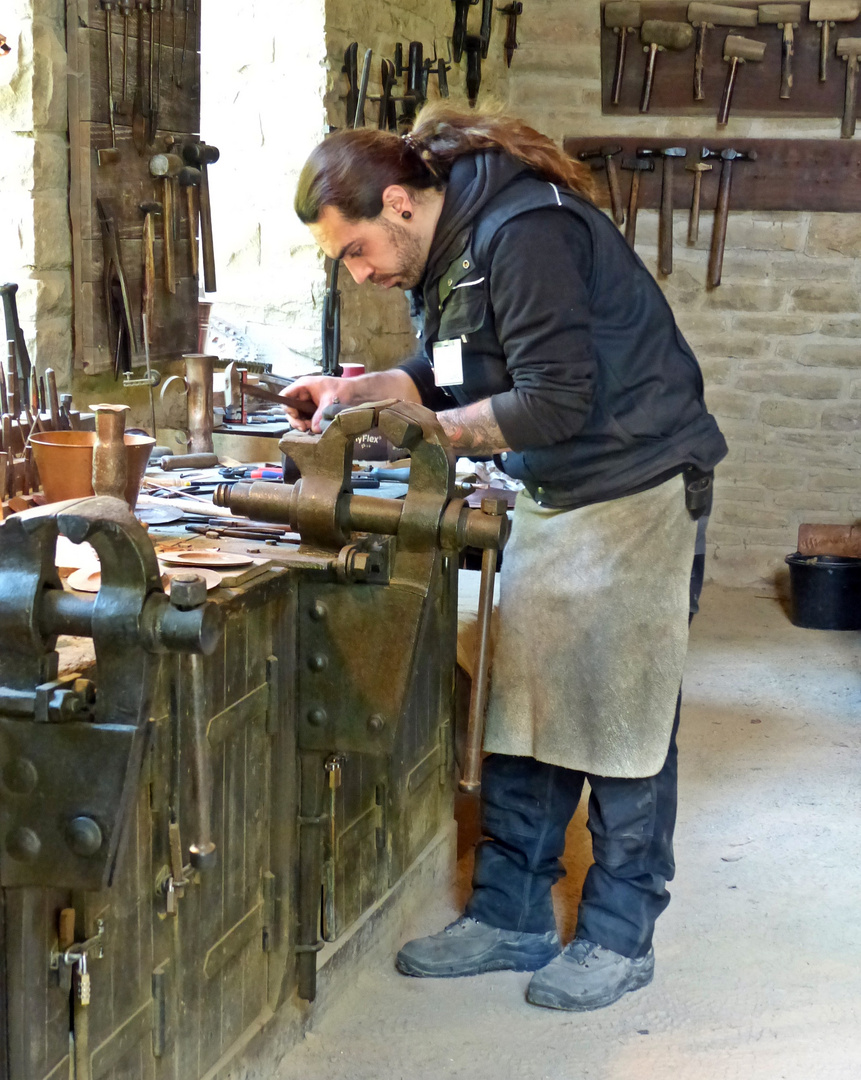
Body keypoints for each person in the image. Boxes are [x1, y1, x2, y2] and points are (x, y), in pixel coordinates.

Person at [286, 103, 727, 1012]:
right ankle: (511, 916)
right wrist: (366, 387)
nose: (359, 272)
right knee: (521, 706)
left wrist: (431, 433)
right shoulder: (454, 246)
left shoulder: (524, 233)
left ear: (399, 202)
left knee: (622, 720)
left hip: (635, 483)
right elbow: (461, 359)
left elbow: (555, 400)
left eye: (357, 250)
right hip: (559, 494)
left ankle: (617, 934)